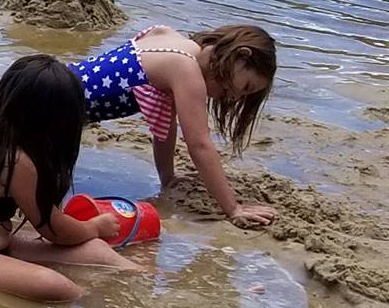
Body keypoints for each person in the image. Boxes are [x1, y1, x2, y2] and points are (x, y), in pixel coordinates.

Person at [0, 54, 137, 303]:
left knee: (96, 251)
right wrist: (94, 227)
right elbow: (55, 230)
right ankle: (99, 303)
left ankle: (144, 279)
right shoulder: (15, 161)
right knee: (53, 286)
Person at [66, 24, 278, 227]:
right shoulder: (186, 69)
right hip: (53, 110)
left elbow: (165, 130)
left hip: (52, 84)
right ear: (241, 55)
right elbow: (200, 145)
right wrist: (233, 208)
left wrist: (168, 179)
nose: (235, 97)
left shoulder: (169, 38)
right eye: (246, 87)